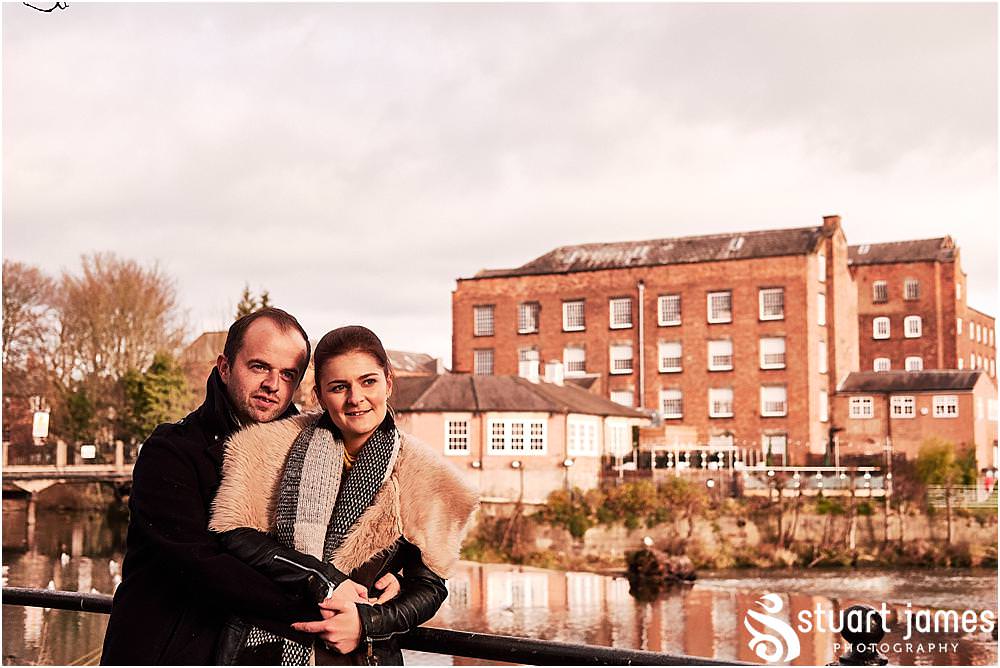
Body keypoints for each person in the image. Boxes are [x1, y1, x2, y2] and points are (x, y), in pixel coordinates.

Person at [101, 309, 426, 664]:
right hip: (172, 652)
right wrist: (330, 601)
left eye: (287, 374)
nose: (273, 384)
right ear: (225, 368)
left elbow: (342, 540)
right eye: (259, 367)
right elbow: (204, 566)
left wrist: (384, 585)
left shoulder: (311, 448)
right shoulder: (172, 451)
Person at [208, 325, 479, 665]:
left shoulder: (425, 474)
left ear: (388, 382)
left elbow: (430, 586)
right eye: (339, 387)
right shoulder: (267, 448)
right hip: (262, 647)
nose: (355, 398)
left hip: (360, 656)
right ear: (319, 395)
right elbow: (236, 537)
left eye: (368, 381)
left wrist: (367, 623)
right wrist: (322, 580)